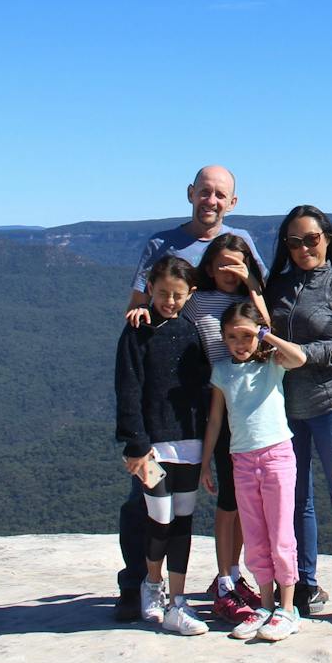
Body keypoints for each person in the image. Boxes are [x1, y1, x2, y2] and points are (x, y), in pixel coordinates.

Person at [113, 165, 267, 623]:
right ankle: (136, 583)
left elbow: (260, 302)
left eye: (220, 195)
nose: (211, 201)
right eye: (204, 192)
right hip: (171, 402)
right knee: (144, 498)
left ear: (232, 202)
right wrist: (138, 315)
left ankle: (221, 578)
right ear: (190, 194)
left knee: (219, 492)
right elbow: (139, 304)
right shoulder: (161, 243)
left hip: (225, 395)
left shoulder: (240, 242)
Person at [264, 204, 332, 625]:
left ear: (327, 238)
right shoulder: (276, 288)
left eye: (311, 238)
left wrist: (307, 355)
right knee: (297, 500)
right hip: (286, 409)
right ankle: (305, 584)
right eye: (294, 241)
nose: (303, 247)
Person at [114, 256, 212, 635]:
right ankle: (151, 587)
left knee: (183, 521)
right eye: (162, 294)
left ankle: (178, 599)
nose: (169, 301)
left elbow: (202, 388)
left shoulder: (191, 331)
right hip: (153, 446)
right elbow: (128, 387)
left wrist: (209, 442)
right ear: (149, 290)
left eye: (177, 295)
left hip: (189, 441)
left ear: (190, 294)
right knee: (159, 518)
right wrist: (135, 444)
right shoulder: (137, 331)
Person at [201, 300, 307, 642]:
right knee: (256, 536)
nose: (239, 343)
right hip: (242, 459)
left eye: (245, 336)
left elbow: (300, 358)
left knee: (280, 534)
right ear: (222, 338)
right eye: (231, 336)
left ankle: (288, 608)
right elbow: (215, 419)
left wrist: (265, 336)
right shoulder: (221, 371)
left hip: (276, 455)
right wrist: (205, 462)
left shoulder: (273, 363)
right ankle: (265, 604)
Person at [184, 234, 272, 625]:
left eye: (237, 264)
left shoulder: (252, 299)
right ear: (208, 265)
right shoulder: (197, 301)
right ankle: (224, 581)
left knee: (242, 499)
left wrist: (253, 287)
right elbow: (170, 321)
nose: (229, 272)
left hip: (250, 409)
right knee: (228, 500)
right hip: (217, 402)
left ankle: (234, 574)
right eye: (222, 264)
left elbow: (266, 334)